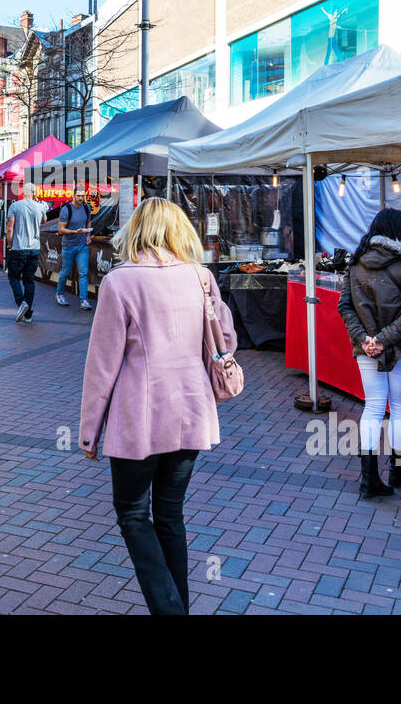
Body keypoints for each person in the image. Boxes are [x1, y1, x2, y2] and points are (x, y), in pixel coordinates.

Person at [79, 198, 236, 616]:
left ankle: (170, 610)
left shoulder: (120, 282)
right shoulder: (201, 277)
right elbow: (226, 343)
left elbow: (102, 364)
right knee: (169, 514)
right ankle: (177, 605)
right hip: (190, 412)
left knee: (132, 514)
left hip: (139, 418)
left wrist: (90, 430)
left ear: (135, 231)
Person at [336, 208, 401, 498]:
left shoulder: (356, 261)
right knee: (400, 408)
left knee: (373, 407)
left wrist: (365, 340)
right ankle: (397, 471)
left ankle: (368, 479)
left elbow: (344, 306)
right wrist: (382, 340)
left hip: (368, 347)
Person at [4, 182, 46, 322]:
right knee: (29, 281)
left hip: (18, 248)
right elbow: (44, 220)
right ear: (34, 193)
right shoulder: (40, 207)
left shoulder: (14, 206)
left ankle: (21, 302)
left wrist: (10, 245)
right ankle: (28, 315)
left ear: (23, 192)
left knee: (13, 277)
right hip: (34, 248)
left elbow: (10, 228)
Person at [55, 187, 93, 311]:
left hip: (82, 246)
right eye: (78, 196)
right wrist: (75, 231)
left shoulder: (87, 208)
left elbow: (88, 222)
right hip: (68, 246)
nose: (81, 198)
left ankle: (84, 300)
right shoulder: (66, 209)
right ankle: (59, 294)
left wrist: (88, 235)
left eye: (83, 196)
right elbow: (61, 229)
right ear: (74, 195)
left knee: (83, 273)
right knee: (65, 272)